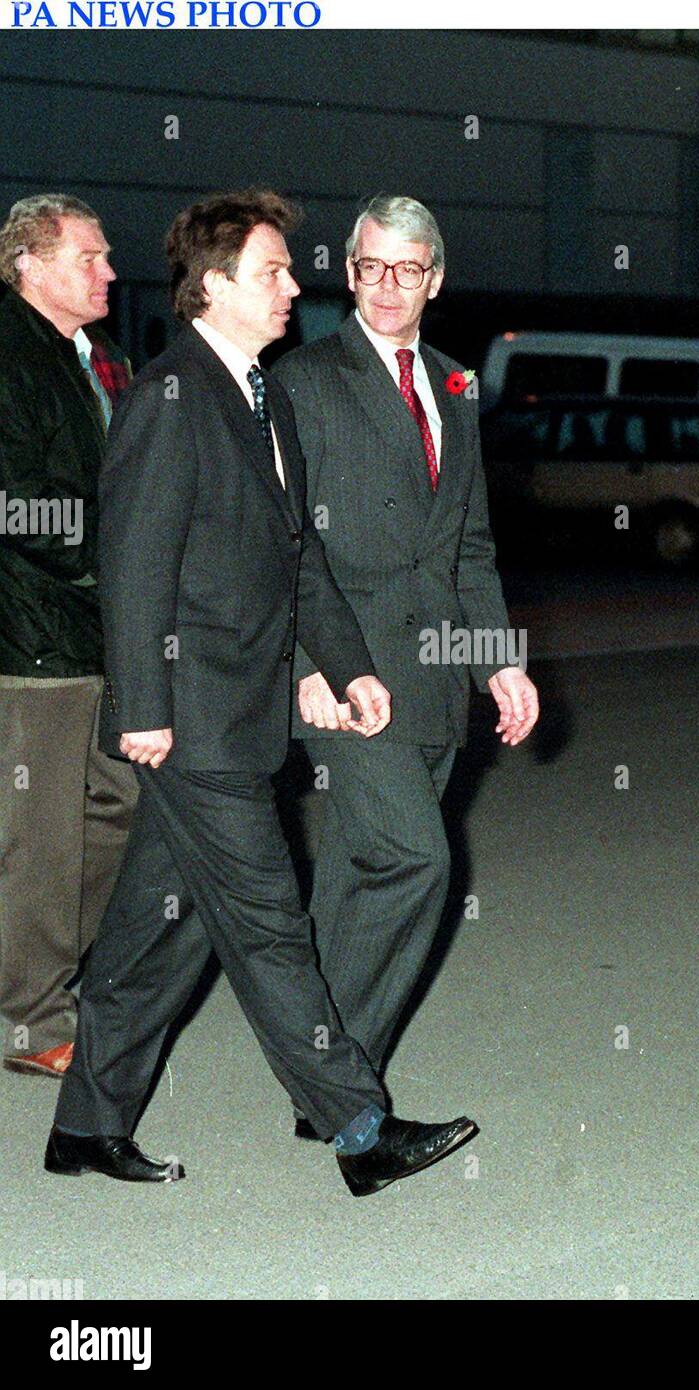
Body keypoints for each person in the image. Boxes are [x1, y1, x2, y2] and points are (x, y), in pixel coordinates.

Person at [45, 190, 475, 1197]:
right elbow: (136, 561)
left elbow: (301, 554)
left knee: (163, 923)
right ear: (215, 286)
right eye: (275, 272)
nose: (295, 287)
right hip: (193, 720)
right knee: (274, 924)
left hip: (237, 713)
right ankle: (360, 1129)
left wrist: (351, 664)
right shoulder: (172, 397)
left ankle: (87, 1123)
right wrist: (142, 705)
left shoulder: (258, 392)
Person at [273, 195, 539, 1130]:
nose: (388, 287)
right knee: (418, 862)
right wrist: (309, 662)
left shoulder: (458, 385)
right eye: (371, 267)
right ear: (349, 273)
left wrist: (498, 662)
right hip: (344, 673)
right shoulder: (301, 381)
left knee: (355, 872)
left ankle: (326, 1086)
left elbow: (467, 546)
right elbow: (282, 540)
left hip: (433, 678)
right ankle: (336, 1084)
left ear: (434, 277)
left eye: (408, 269)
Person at [0, 195, 138, 1079]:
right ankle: (32, 1018)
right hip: (34, 636)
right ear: (31, 266)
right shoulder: (9, 354)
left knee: (121, 806)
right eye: (90, 258)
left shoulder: (100, 358)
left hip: (100, 631)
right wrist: (112, 559)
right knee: (38, 835)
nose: (110, 273)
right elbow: (17, 501)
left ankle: (32, 970)